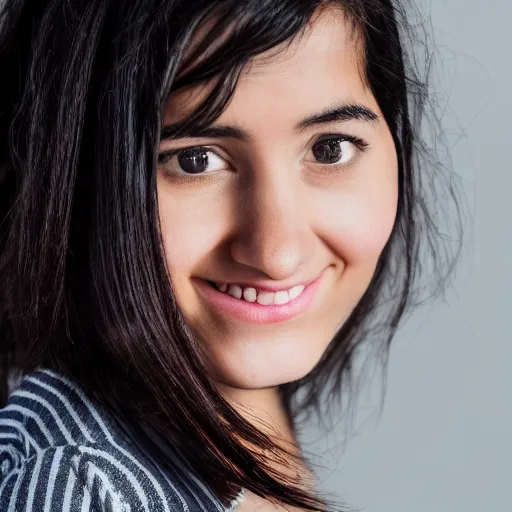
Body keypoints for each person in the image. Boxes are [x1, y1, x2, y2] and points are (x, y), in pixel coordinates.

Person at [0, 0, 464, 510]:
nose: (277, 253)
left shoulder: (246, 412)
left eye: (330, 148)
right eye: (195, 161)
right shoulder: (84, 485)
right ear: (67, 171)